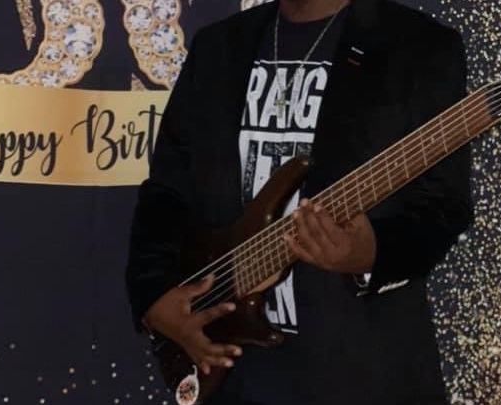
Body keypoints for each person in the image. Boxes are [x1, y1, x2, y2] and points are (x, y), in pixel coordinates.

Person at [126, 0, 472, 403]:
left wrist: (370, 252)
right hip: (234, 375)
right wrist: (153, 297)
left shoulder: (420, 45)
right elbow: (167, 192)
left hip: (363, 373)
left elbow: (443, 207)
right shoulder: (218, 46)